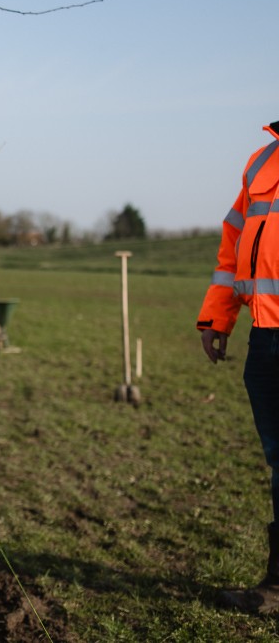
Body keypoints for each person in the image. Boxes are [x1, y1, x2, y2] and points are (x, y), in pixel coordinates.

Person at [198, 120, 279, 614]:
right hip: (265, 339)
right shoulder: (261, 161)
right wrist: (218, 316)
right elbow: (233, 247)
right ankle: (278, 585)